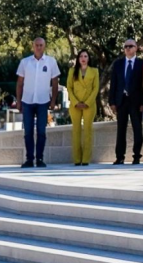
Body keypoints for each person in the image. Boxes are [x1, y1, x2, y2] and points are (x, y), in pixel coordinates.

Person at [15, 38, 61, 168]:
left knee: (41, 131)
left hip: (43, 101)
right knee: (28, 131)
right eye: (36, 45)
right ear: (33, 46)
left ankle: (40, 158)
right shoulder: (25, 62)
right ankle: (29, 159)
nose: (39, 47)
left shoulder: (51, 62)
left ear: (44, 46)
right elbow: (19, 83)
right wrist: (18, 101)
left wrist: (53, 100)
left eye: (41, 45)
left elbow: (55, 83)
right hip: (27, 101)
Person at [109, 38, 143, 165]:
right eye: (126, 46)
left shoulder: (142, 63)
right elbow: (113, 83)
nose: (128, 48)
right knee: (121, 130)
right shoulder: (118, 64)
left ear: (136, 48)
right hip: (121, 101)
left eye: (131, 46)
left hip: (136, 101)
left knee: (137, 129)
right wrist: (112, 102)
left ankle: (137, 156)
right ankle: (120, 157)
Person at [66, 50, 99, 166]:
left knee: (88, 130)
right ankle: (76, 159)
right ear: (78, 58)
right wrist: (75, 102)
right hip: (75, 104)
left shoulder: (94, 71)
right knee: (76, 130)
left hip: (89, 104)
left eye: (85, 56)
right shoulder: (72, 71)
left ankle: (85, 159)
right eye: (81, 56)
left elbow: (96, 88)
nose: (83, 58)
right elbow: (69, 87)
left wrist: (87, 102)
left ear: (89, 58)